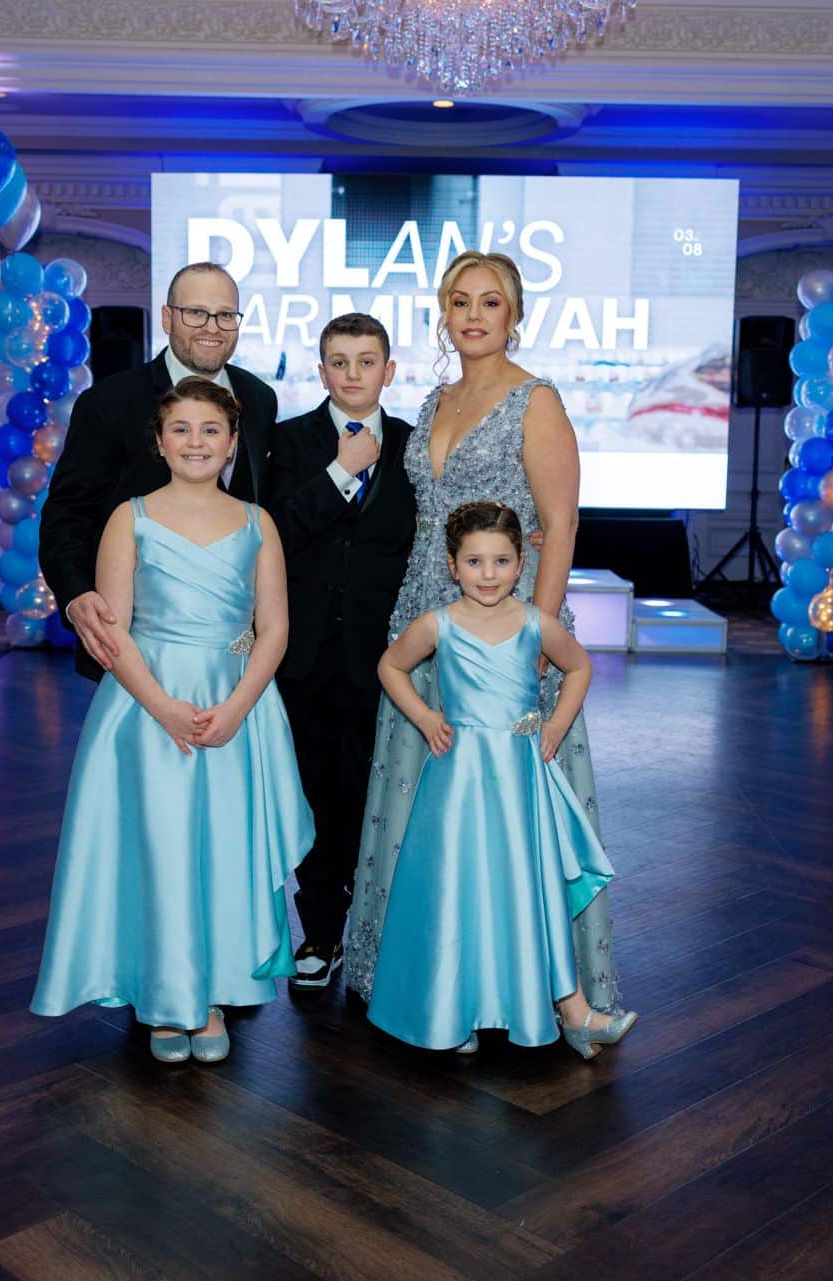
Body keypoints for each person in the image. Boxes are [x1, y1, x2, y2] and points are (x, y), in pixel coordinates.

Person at [344, 251, 631, 1026]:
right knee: (423, 799)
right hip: (428, 613)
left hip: (506, 627)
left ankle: (524, 985)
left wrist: (537, 633)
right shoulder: (434, 398)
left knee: (512, 813)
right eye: (460, 301)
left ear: (515, 314)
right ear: (444, 312)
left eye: (491, 302)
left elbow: (562, 523)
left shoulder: (536, 399)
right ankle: (422, 978)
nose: (474, 315)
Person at [30, 377, 312, 1063]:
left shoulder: (257, 523)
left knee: (220, 850)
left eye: (210, 430)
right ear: (158, 441)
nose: (196, 442)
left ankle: (211, 993)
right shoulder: (129, 517)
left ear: (232, 442)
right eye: (181, 429)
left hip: (232, 705)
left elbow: (273, 629)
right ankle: (163, 997)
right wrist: (162, 708)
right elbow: (113, 631)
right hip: (145, 707)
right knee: (158, 849)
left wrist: (239, 706)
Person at [368, 502, 633, 1055]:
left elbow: (579, 667)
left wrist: (556, 726)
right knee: (459, 888)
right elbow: (390, 666)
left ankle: (575, 1011)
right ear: (451, 565)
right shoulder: (437, 624)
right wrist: (425, 716)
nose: (488, 574)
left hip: (518, 780)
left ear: (519, 565)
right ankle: (455, 1006)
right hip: (459, 780)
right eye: (474, 562)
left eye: (501, 561)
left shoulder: (536, 623)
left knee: (526, 887)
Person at [263, 313, 416, 990]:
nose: (352, 374)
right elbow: (271, 532)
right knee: (318, 792)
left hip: (390, 654)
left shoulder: (418, 446)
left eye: (366, 360)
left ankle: (378, 933)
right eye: (338, 361)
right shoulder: (286, 443)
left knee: (381, 794)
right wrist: (337, 474)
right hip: (307, 655)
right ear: (321, 370)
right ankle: (320, 931)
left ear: (389, 368)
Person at [39, 262, 279, 682]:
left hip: (234, 652)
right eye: (195, 313)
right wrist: (75, 595)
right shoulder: (108, 402)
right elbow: (67, 514)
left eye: (225, 315)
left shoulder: (259, 399)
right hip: (132, 643)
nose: (212, 327)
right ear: (168, 318)